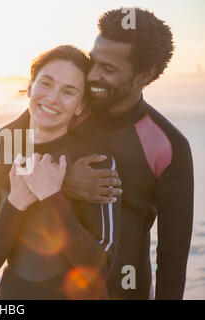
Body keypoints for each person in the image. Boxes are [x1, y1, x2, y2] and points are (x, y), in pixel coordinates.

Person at [0, 45, 121, 299]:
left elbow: (100, 268)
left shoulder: (94, 163)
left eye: (68, 92)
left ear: (81, 106)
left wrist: (52, 195)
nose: (52, 98)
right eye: (45, 84)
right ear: (30, 87)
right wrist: (17, 201)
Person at [65, 8, 194, 300]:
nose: (92, 75)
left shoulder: (169, 145)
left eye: (108, 69)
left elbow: (173, 253)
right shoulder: (65, 108)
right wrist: (62, 180)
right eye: (92, 61)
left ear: (144, 75)